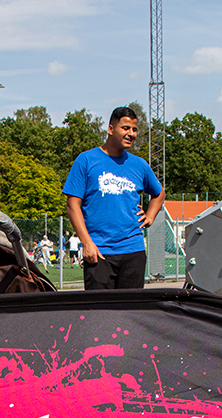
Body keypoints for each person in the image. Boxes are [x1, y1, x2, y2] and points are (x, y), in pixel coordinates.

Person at [63, 106, 164, 290]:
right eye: (125, 128)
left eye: (134, 129)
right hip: (99, 251)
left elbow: (159, 193)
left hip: (133, 250)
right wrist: (86, 243)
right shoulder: (86, 160)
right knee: (100, 315)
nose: (131, 134)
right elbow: (72, 205)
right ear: (111, 129)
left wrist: (150, 216)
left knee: (130, 314)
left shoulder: (139, 165)